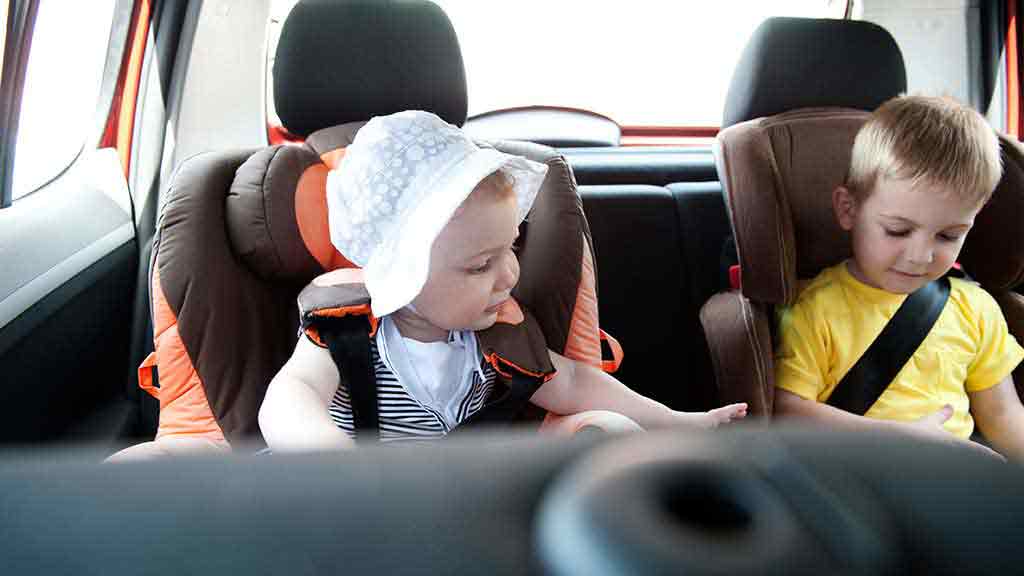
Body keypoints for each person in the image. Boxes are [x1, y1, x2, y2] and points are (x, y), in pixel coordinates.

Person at [259, 110, 747, 450]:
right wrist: (333, 460)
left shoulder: (494, 338)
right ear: (399, 271)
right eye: (479, 265)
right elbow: (290, 397)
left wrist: (682, 421)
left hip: (458, 498)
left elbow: (576, 383)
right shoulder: (346, 332)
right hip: (360, 502)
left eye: (512, 248)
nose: (510, 274)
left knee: (612, 428)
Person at [774, 95, 1024, 460]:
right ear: (849, 209)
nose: (920, 256)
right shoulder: (816, 307)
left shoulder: (976, 308)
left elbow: (1003, 417)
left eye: (948, 236)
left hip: (954, 486)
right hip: (858, 486)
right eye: (897, 230)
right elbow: (786, 412)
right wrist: (896, 439)